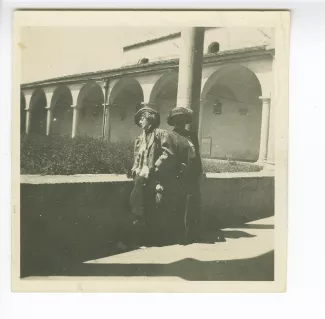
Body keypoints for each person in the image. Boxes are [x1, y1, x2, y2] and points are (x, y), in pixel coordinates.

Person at [128, 106, 177, 247]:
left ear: (150, 119)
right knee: (142, 204)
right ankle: (140, 230)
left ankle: (144, 235)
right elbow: (137, 157)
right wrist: (134, 168)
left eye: (142, 119)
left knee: (149, 207)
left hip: (155, 176)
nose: (140, 122)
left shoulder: (161, 134)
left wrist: (155, 166)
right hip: (141, 175)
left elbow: (168, 153)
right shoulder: (139, 138)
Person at [166, 107, 203, 244]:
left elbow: (197, 155)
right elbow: (169, 155)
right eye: (177, 120)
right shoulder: (170, 136)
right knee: (179, 205)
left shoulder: (192, 135)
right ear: (173, 121)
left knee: (193, 204)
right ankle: (180, 236)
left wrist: (200, 172)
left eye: (182, 120)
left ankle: (192, 234)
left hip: (192, 175)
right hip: (179, 176)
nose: (180, 122)